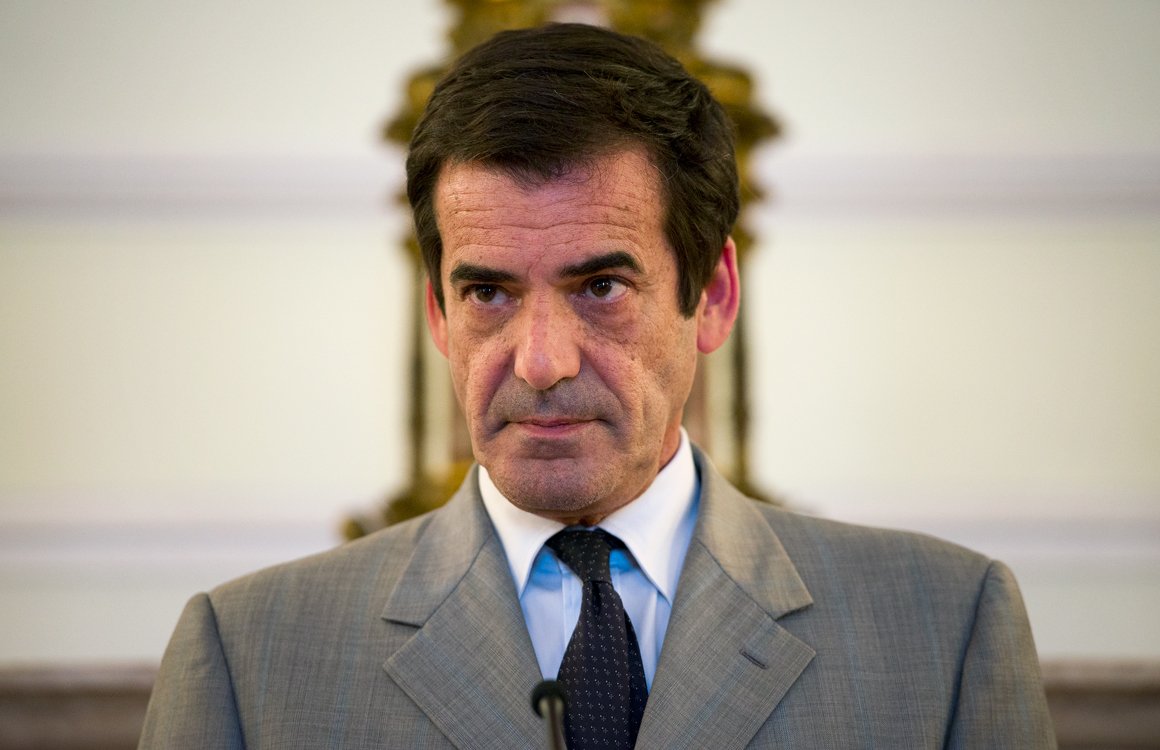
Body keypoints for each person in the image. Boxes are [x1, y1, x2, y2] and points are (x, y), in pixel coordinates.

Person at [139, 23, 1055, 749]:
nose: (541, 361)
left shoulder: (945, 628)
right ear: (438, 316)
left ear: (713, 297)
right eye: (489, 293)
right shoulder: (248, 654)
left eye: (601, 288)